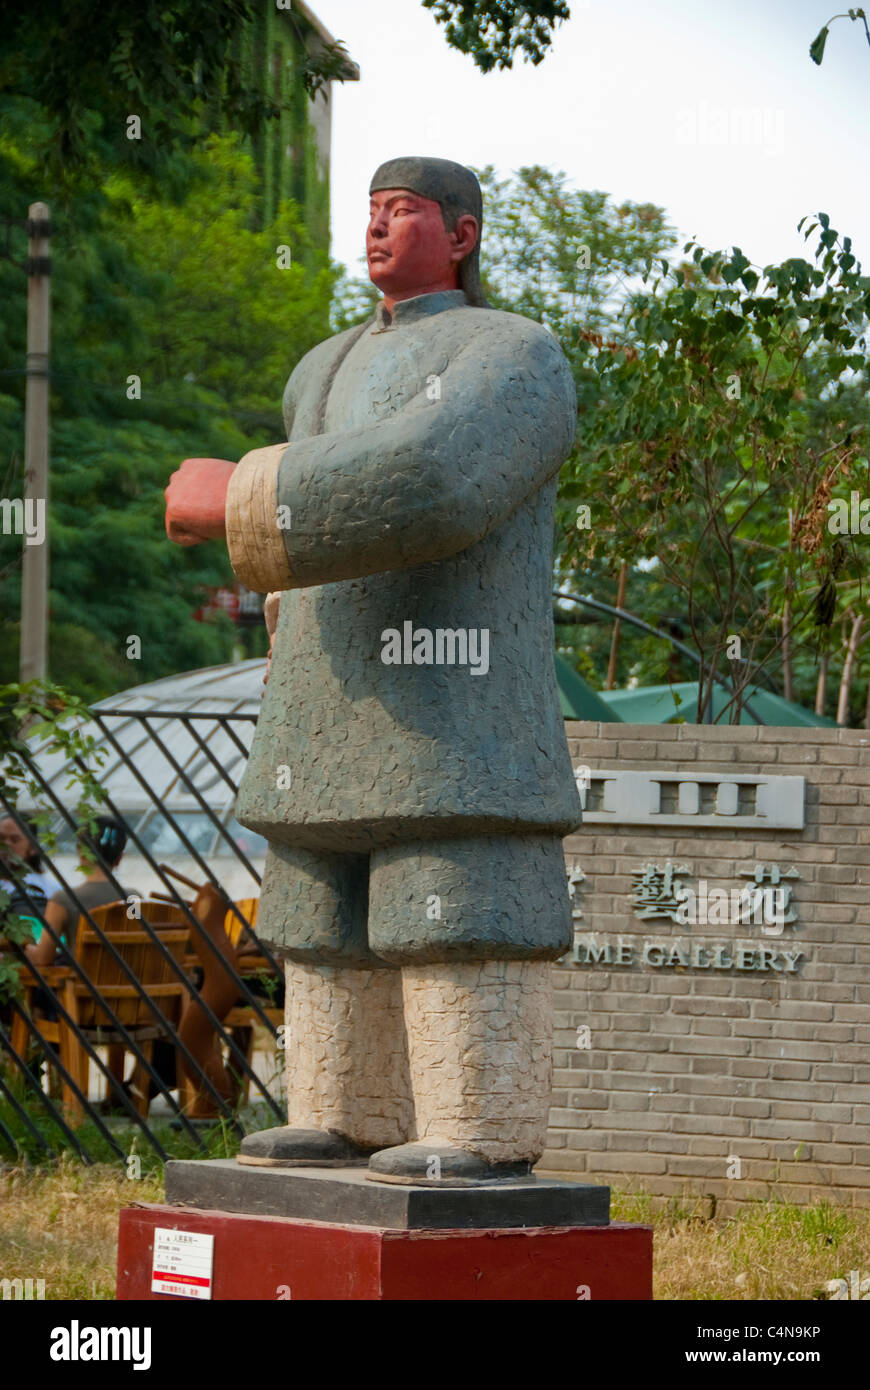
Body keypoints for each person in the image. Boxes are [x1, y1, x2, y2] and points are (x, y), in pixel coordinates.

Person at [164, 156, 581, 1185]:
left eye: (404, 212)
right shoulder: (320, 366)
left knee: (456, 896)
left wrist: (243, 493)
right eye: (373, 212)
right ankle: (343, 1111)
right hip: (323, 697)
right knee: (320, 910)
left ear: (463, 233)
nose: (380, 229)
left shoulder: (515, 355)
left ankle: (475, 1124)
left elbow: (433, 478)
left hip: (457, 703)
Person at [24, 815, 140, 968]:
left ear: (81, 852)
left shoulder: (63, 900)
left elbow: (43, 959)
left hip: (80, 989)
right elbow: (137, 948)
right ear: (119, 858)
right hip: (128, 988)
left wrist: (23, 946)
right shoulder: (134, 899)